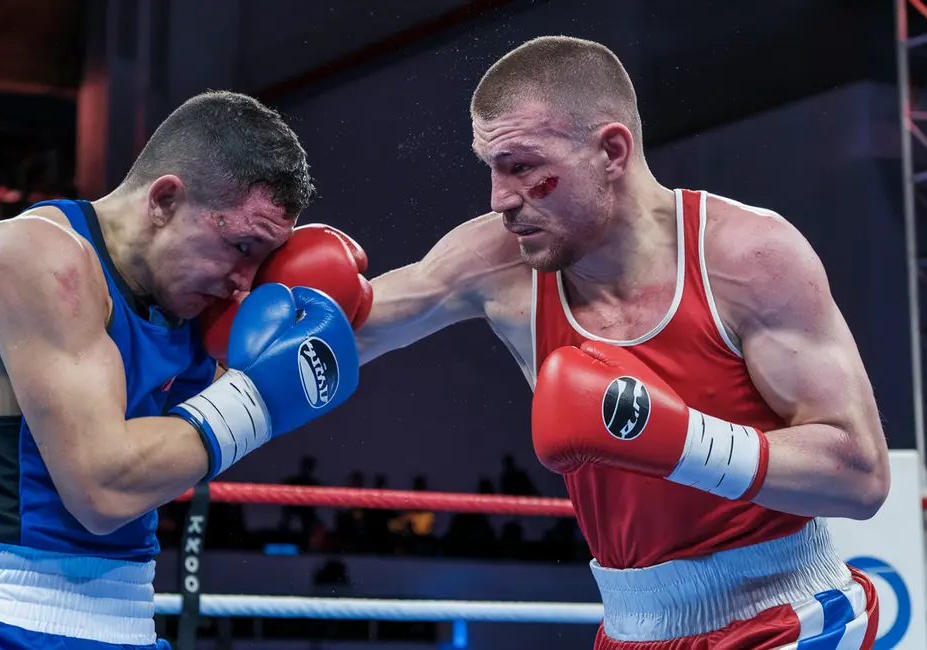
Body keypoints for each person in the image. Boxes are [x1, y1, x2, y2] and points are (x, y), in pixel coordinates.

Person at [352, 37, 890, 649]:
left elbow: (861, 476)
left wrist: (680, 441)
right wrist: (261, 279)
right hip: (631, 629)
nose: (499, 198)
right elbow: (343, 337)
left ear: (611, 150)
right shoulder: (496, 263)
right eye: (491, 167)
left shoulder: (747, 257)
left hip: (786, 615)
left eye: (521, 167)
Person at [0, 90, 372, 650]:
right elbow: (102, 489)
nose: (245, 283)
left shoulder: (194, 299)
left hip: (131, 626)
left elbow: (369, 320)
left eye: (260, 259)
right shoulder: (34, 256)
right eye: (240, 245)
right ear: (165, 199)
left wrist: (458, 277)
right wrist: (260, 400)